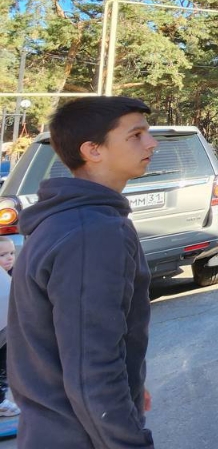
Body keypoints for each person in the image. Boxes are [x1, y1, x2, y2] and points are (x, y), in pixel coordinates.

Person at [8, 96, 157, 448]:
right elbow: (93, 371)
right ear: (93, 150)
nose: (152, 143)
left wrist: (132, 382)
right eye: (136, 135)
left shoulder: (69, 219)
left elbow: (74, 342)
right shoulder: (93, 231)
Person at [0, 237, 18, 417]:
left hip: (7, 333)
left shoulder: (14, 275)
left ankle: (1, 399)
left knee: (4, 365)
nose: (9, 258)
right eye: (2, 255)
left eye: (11, 253)